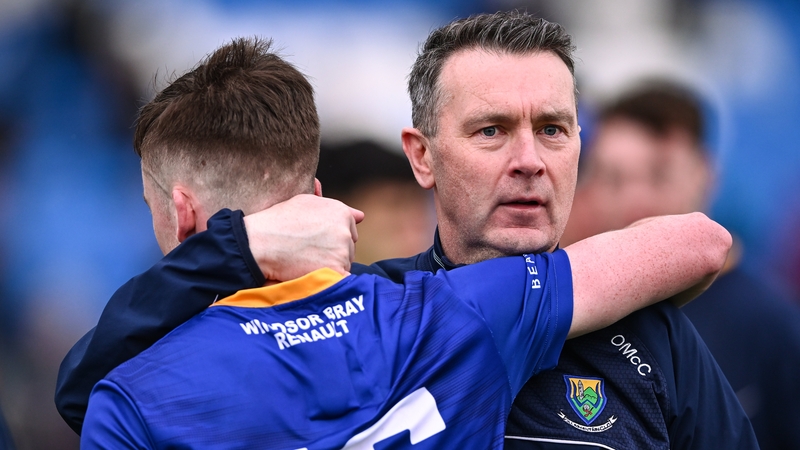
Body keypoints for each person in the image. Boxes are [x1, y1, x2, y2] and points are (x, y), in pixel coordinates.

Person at [57, 12, 757, 449]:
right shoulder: (365, 314)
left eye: (553, 130)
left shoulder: (653, 335)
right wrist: (241, 250)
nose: (528, 162)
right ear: (421, 155)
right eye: (491, 131)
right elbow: (99, 392)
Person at [561, 80, 800, 450]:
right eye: (614, 177)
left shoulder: (773, 326)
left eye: (658, 173)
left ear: (705, 173)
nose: (634, 197)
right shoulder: (579, 313)